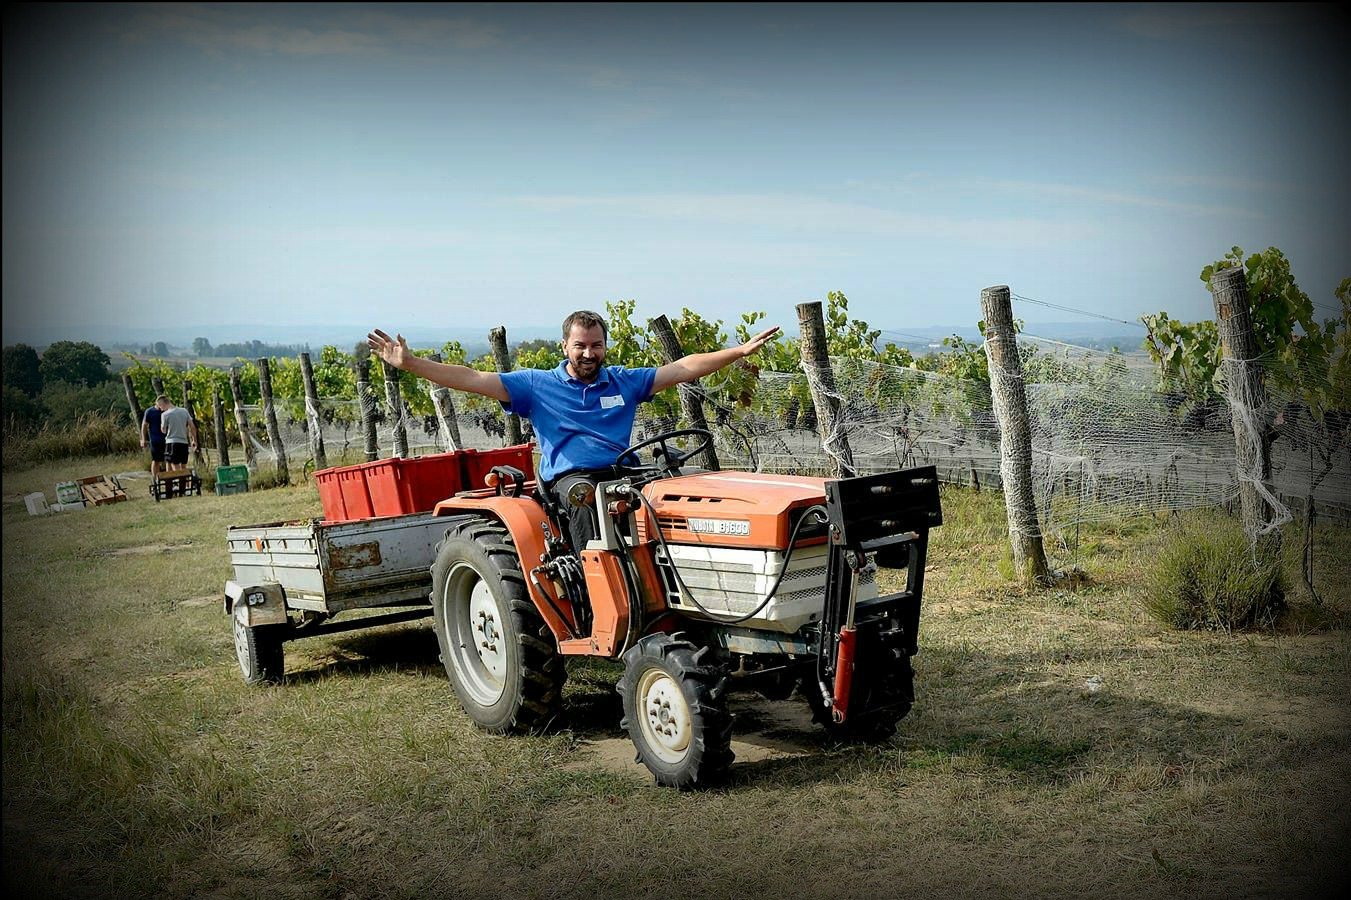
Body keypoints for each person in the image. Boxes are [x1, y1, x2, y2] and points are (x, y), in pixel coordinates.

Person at [368, 310, 779, 550]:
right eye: (580, 345)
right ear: (565, 345)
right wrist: (413, 364)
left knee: (681, 490)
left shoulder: (623, 381)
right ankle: (591, 582)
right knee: (586, 498)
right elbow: (473, 377)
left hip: (622, 470)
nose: (588, 353)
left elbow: (683, 367)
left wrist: (737, 352)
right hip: (571, 480)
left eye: (596, 345)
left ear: (605, 346)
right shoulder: (536, 385)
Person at [157, 395, 198, 475]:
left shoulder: (165, 414)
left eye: (160, 406)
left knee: (174, 465)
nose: (161, 409)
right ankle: (184, 485)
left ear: (163, 404)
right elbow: (192, 427)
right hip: (183, 442)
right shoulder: (184, 411)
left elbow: (163, 430)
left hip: (172, 442)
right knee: (183, 465)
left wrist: (163, 427)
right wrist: (194, 440)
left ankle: (178, 483)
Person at [140, 399, 166, 480]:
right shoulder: (150, 411)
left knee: (168, 461)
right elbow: (144, 425)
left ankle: (169, 479)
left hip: (167, 439)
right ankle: (155, 480)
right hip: (155, 440)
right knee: (156, 460)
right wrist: (143, 439)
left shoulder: (166, 411)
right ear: (157, 403)